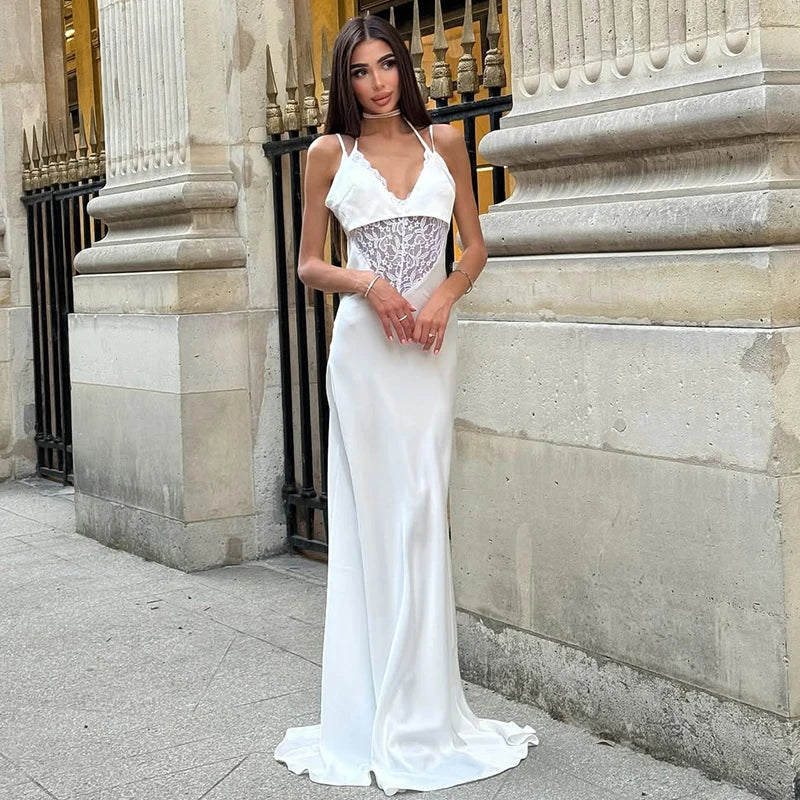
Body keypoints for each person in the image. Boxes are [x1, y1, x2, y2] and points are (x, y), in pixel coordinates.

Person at [273, 14, 539, 796]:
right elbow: (309, 263)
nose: (378, 81)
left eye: (387, 65)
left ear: (405, 69)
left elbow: (475, 247)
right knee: (377, 522)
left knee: (423, 510)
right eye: (361, 71)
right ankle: (371, 714)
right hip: (364, 351)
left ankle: (425, 711)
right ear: (344, 82)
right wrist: (371, 283)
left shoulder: (445, 144)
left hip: (429, 348)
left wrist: (445, 296)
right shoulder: (330, 153)